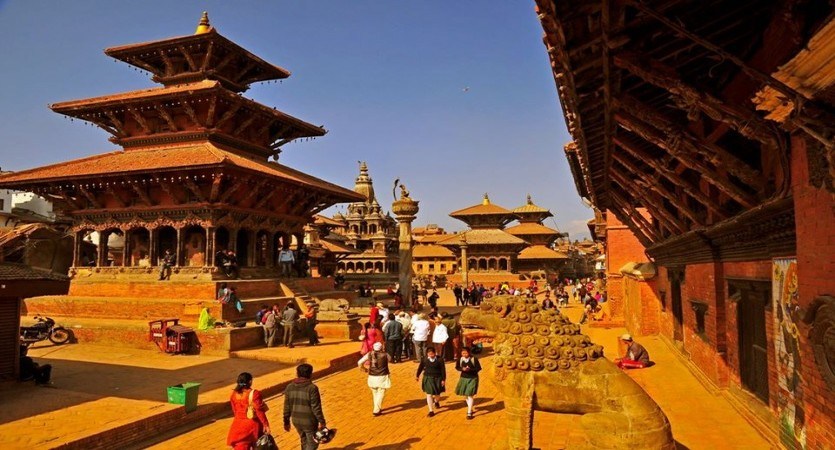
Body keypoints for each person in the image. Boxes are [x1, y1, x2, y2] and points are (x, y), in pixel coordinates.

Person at [283, 364, 327, 450]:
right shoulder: (312, 388)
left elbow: (287, 406)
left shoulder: (289, 387)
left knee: (304, 440)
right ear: (310, 374)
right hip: (309, 421)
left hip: (296, 420)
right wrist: (322, 421)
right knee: (312, 443)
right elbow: (316, 408)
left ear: (297, 374)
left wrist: (286, 421)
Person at [227, 372, 270, 450]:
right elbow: (259, 411)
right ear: (250, 381)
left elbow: (235, 411)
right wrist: (266, 424)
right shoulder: (254, 394)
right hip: (252, 426)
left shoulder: (234, 394)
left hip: (238, 426)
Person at [357, 342, 391, 416]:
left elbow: (359, 362)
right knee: (381, 392)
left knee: (375, 392)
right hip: (382, 376)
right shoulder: (385, 354)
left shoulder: (369, 354)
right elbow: (390, 359)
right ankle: (376, 409)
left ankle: (376, 407)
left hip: (372, 376)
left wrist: (363, 369)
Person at [416, 347, 446, 417]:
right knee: (429, 394)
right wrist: (417, 375)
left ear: (435, 353)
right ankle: (431, 410)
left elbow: (443, 370)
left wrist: (443, 379)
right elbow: (420, 367)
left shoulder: (440, 360)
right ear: (427, 354)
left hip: (438, 378)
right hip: (428, 378)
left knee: (437, 394)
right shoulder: (425, 359)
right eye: (429, 354)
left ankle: (436, 401)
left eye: (432, 354)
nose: (431, 356)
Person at [455, 347, 482, 419]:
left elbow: (478, 368)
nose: (464, 354)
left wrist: (470, 370)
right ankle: (470, 407)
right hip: (463, 378)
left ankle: (469, 412)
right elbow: (457, 367)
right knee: (466, 395)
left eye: (466, 353)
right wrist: (462, 369)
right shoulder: (460, 359)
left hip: (472, 378)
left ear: (469, 353)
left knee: (470, 395)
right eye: (463, 353)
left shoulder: (474, 359)